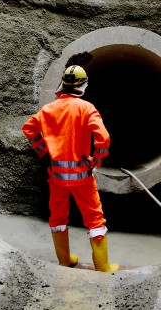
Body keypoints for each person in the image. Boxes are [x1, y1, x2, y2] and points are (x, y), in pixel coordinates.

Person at [22, 63, 119, 272]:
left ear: (63, 84)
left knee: (57, 216)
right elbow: (103, 138)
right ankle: (102, 267)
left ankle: (65, 260)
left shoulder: (49, 109)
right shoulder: (86, 108)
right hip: (82, 177)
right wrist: (97, 161)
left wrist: (44, 151)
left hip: (56, 176)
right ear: (83, 86)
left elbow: (28, 128)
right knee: (94, 217)